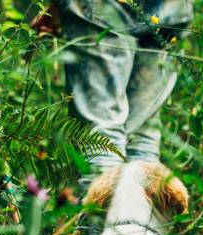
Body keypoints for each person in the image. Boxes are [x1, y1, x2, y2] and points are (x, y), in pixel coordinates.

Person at [30, 0, 192, 185]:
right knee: (140, 137)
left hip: (101, 7)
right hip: (170, 7)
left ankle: (104, 213)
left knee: (101, 135)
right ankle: (141, 212)